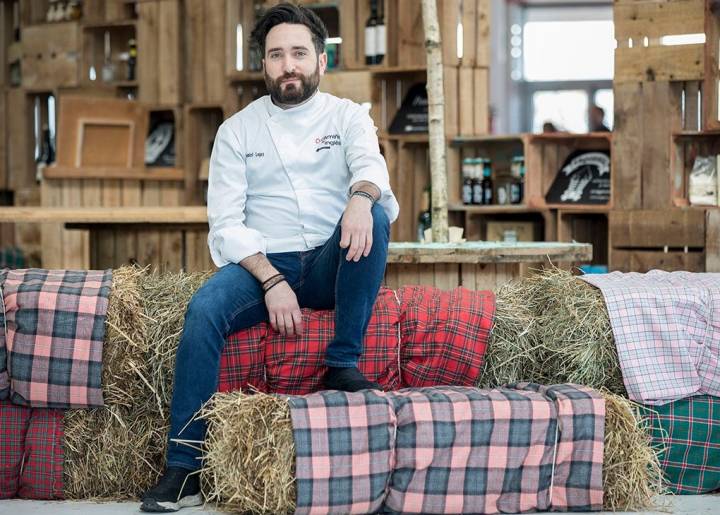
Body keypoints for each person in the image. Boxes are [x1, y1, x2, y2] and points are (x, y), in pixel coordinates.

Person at [140, 3, 399, 512]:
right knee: (203, 311)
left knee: (377, 216)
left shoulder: (348, 116)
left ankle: (342, 363)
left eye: (299, 53)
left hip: (331, 258)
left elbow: (370, 168)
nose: (288, 65)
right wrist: (270, 279)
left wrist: (360, 200)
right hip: (263, 260)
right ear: (264, 64)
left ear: (320, 61)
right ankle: (184, 466)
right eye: (277, 55)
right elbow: (226, 225)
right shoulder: (237, 131)